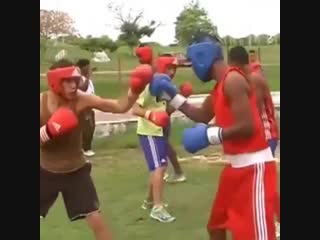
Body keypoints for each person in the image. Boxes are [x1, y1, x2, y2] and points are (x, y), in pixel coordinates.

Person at [149, 36, 278, 240]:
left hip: (255, 169)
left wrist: (210, 135)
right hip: (234, 168)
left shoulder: (233, 80)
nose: (193, 70)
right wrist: (172, 96)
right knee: (216, 226)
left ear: (203, 57)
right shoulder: (220, 86)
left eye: (193, 63)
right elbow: (201, 115)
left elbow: (249, 127)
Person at [40, 59, 152, 240]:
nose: (73, 85)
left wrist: (135, 91)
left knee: (96, 219)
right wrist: (47, 132)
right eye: (67, 81)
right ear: (54, 81)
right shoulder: (40, 103)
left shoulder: (82, 99)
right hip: (45, 170)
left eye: (75, 80)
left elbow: (119, 107)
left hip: (76, 171)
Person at [135, 45, 189, 183]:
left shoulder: (165, 84)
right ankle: (169, 172)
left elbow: (168, 111)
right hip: (151, 125)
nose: (172, 72)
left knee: (165, 147)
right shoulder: (152, 83)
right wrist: (152, 115)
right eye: (169, 68)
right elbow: (136, 107)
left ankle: (175, 172)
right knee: (163, 149)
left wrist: (181, 97)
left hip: (161, 123)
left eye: (174, 69)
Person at [248, 55, 280, 238]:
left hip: (266, 136)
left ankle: (275, 222)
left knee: (266, 184)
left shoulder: (257, 83)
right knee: (262, 183)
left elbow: (255, 111)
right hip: (265, 136)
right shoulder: (256, 82)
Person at [76, 58, 96, 157]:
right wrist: (88, 77)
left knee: (91, 127)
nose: (89, 68)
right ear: (82, 67)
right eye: (87, 66)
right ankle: (85, 148)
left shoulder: (88, 79)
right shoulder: (79, 78)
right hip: (84, 107)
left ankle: (87, 147)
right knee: (86, 128)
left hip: (90, 107)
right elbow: (82, 89)